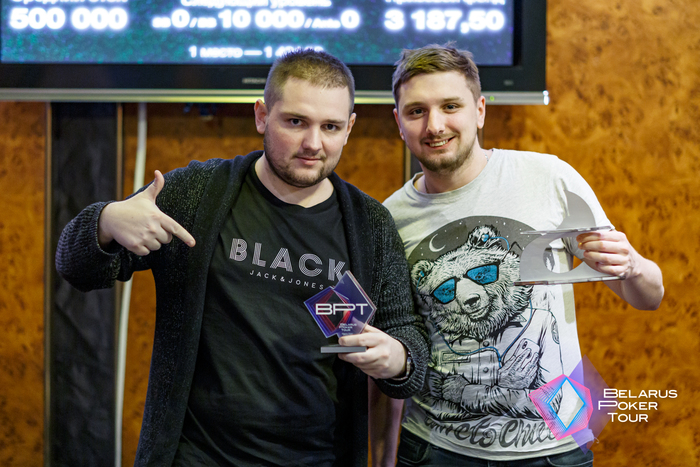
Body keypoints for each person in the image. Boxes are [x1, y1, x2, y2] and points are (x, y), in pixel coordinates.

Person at [56, 49, 429, 467]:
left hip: (318, 458)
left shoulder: (370, 226)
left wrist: (398, 359)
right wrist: (106, 221)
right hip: (197, 457)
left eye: (330, 127)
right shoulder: (198, 194)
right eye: (295, 122)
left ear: (349, 128)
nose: (313, 143)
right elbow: (75, 267)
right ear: (261, 116)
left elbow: (406, 342)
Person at [371, 44, 664, 466]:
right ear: (399, 122)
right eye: (417, 111)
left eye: (450, 106)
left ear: (480, 111)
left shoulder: (548, 178)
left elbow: (650, 297)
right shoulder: (389, 219)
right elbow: (394, 359)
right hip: (437, 449)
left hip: (555, 449)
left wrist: (633, 265)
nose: (434, 125)